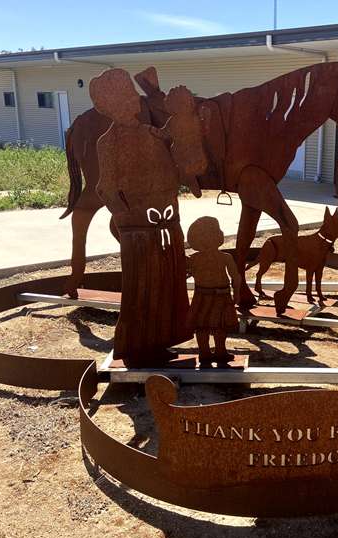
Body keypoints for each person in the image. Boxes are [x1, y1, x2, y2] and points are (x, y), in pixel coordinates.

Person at [91, 69, 207, 366]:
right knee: (145, 287)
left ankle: (166, 338)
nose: (134, 99)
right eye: (126, 95)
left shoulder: (150, 133)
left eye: (132, 93)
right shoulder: (108, 143)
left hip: (169, 222)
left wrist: (182, 116)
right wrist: (126, 220)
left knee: (171, 282)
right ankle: (140, 344)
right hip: (139, 231)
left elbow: (176, 149)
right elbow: (105, 188)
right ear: (108, 106)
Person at [186, 217, 242, 366]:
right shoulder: (194, 259)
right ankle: (204, 352)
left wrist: (237, 292)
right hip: (203, 296)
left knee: (220, 327)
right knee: (202, 327)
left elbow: (235, 277)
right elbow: (183, 275)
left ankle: (220, 351)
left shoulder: (224, 257)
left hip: (221, 296)